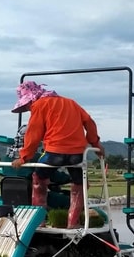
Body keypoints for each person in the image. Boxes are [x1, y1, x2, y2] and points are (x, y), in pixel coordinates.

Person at [10, 81, 105, 228]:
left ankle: (39, 221)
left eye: (27, 105)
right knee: (79, 184)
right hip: (77, 154)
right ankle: (73, 222)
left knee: (38, 178)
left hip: (54, 152)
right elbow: (89, 122)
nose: (28, 108)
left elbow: (33, 133)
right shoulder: (71, 103)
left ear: (32, 99)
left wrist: (24, 157)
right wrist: (96, 144)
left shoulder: (39, 105)